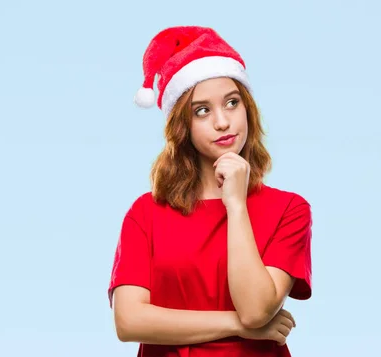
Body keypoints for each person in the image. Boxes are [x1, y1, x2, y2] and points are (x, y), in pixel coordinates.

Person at [107, 26, 313, 357]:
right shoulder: (146, 213)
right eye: (202, 110)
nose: (222, 122)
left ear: (247, 109)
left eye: (232, 103)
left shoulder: (289, 209)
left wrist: (236, 205)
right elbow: (129, 321)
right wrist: (236, 326)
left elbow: (256, 310)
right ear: (182, 127)